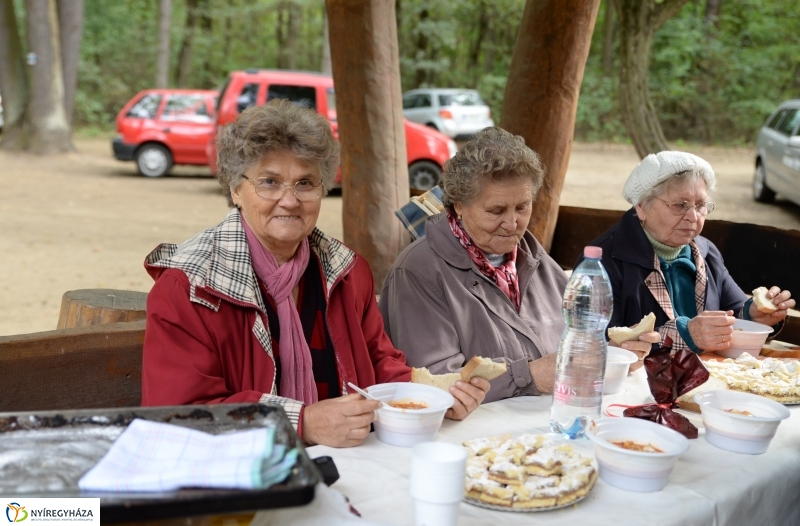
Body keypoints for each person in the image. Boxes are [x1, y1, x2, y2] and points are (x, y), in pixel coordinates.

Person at [141, 100, 489, 448]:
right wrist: (300, 424)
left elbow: (378, 362)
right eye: (269, 182)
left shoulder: (348, 272)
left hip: (349, 462)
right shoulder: (189, 288)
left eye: (305, 183)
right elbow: (178, 415)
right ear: (235, 189)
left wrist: (435, 397)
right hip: (242, 482)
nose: (289, 200)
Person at [380, 127, 656, 400]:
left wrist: (608, 355)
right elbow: (435, 382)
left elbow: (569, 352)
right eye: (496, 210)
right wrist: (530, 376)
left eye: (522, 207)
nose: (512, 224)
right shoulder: (419, 271)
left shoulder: (537, 261)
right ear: (459, 206)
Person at [579, 151, 794, 354]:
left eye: (700, 205)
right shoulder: (604, 260)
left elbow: (733, 311)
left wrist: (754, 316)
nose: (693, 216)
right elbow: (600, 346)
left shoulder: (706, 252)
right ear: (642, 207)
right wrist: (686, 335)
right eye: (680, 205)